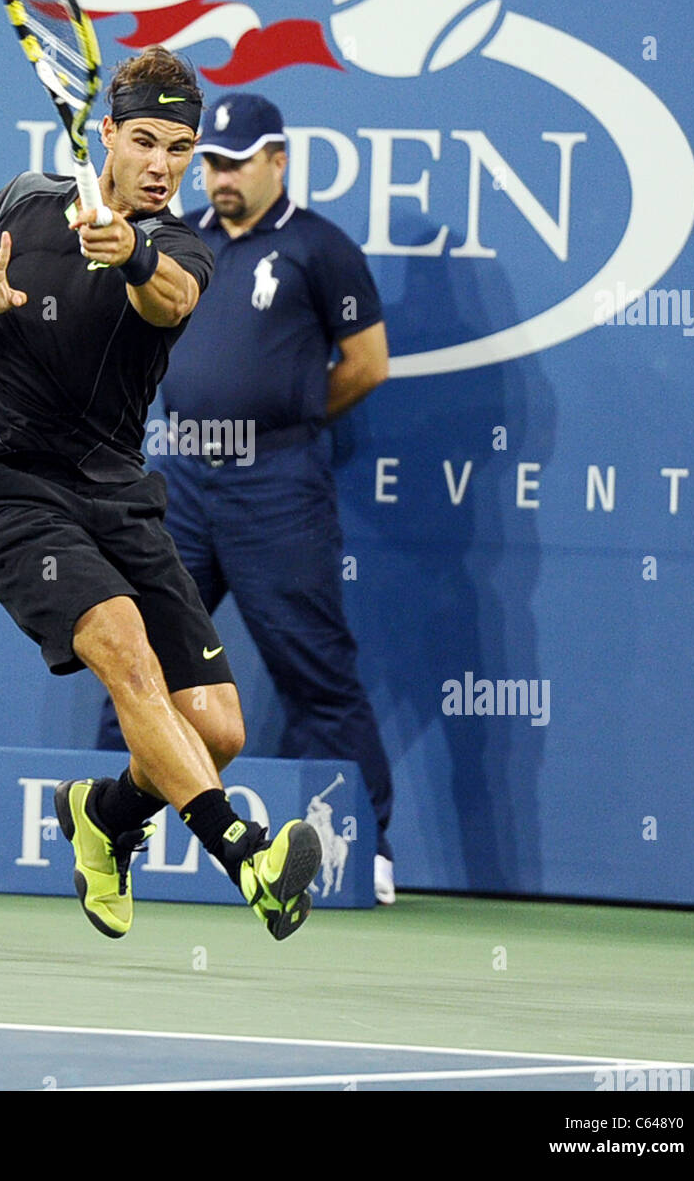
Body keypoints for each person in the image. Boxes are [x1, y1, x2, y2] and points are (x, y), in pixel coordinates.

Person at [0, 48, 321, 942]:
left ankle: (105, 813)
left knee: (214, 730)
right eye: (144, 142)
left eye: (179, 147)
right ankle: (244, 850)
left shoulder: (178, 243)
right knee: (128, 656)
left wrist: (129, 249)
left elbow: (168, 303)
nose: (163, 164)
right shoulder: (21, 201)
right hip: (14, 491)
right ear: (105, 136)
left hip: (117, 497)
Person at [95, 91, 397, 904]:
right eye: (214, 162)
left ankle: (367, 846)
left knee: (315, 673)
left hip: (277, 486)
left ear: (277, 161)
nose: (220, 177)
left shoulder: (319, 248)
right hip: (181, 484)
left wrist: (282, 421)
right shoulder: (179, 240)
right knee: (136, 663)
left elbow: (367, 363)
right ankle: (111, 840)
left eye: (236, 162)